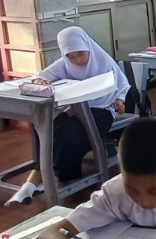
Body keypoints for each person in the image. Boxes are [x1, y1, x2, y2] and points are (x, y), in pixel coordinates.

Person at [10, 26, 140, 203]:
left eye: (81, 54)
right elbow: (41, 76)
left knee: (71, 131)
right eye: (71, 56)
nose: (77, 60)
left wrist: (120, 100)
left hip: (102, 111)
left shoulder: (103, 62)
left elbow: (122, 84)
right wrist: (40, 80)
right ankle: (46, 174)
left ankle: (48, 175)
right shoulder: (64, 63)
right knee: (51, 126)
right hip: (75, 110)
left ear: (88, 47)